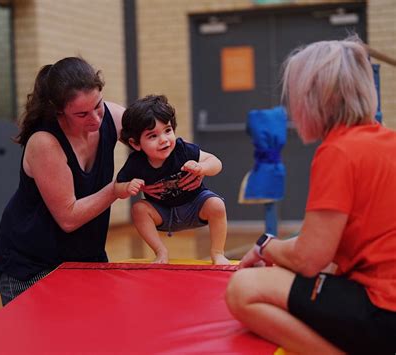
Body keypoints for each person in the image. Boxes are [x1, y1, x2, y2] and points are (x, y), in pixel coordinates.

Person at [226, 37, 396, 354]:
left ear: (314, 99)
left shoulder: (339, 150)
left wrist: (267, 246)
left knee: (241, 289)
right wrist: (270, 250)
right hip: (385, 304)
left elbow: (310, 259)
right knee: (279, 272)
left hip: (383, 312)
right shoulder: (387, 140)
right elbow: (326, 247)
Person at [0, 57, 125, 305]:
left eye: (98, 106)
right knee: (41, 342)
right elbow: (68, 218)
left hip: (86, 257)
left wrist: (197, 163)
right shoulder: (45, 142)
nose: (95, 119)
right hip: (32, 263)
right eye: (81, 113)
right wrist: (115, 189)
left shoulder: (111, 116)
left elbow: (156, 142)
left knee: (94, 335)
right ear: (58, 111)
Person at [114, 95, 230, 265]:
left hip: (194, 205)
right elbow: (117, 188)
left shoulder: (182, 150)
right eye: (152, 136)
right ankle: (161, 252)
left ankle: (218, 252)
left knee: (217, 204)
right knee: (138, 209)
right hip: (163, 212)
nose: (163, 140)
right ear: (136, 144)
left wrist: (202, 167)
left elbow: (216, 162)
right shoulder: (136, 163)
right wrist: (128, 187)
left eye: (167, 130)